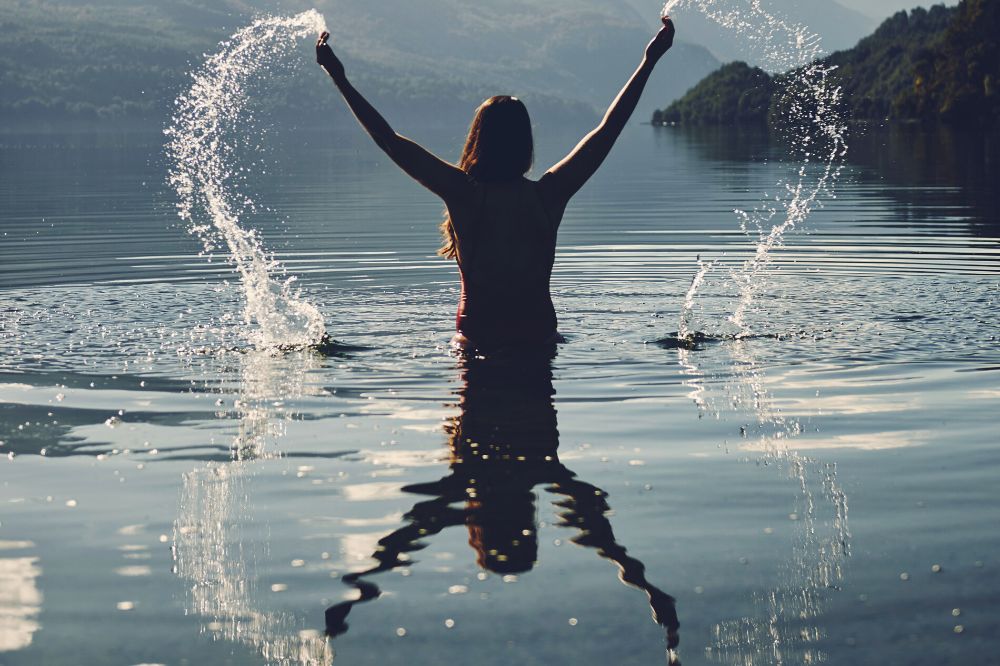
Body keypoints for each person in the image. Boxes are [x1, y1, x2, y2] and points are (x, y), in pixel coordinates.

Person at [316, 17, 676, 350]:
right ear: (525, 144)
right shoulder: (549, 194)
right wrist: (650, 61)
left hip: (477, 342)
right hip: (539, 339)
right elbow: (607, 130)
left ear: (477, 140)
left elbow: (388, 139)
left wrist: (339, 78)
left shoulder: (462, 194)